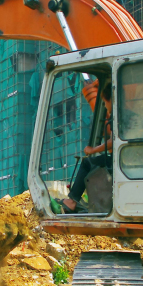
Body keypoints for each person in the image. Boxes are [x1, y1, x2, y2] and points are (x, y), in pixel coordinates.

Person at [60, 85, 113, 214]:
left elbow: (113, 142)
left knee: (87, 163)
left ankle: (72, 201)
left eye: (105, 103)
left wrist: (92, 150)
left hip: (123, 162)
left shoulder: (117, 115)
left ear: (111, 99)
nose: (105, 107)